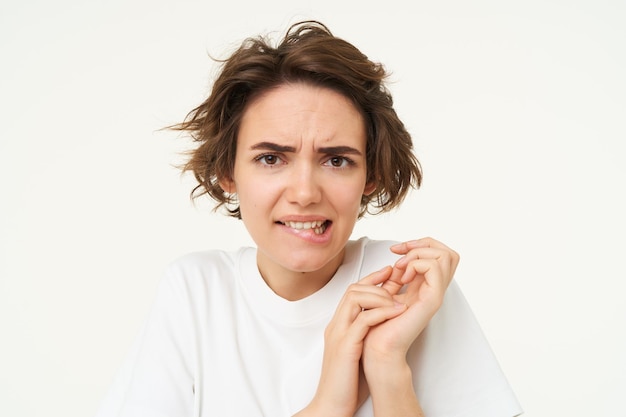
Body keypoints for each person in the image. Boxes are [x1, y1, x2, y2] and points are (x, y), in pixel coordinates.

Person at [96, 21, 522, 417]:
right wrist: (331, 402)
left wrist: (387, 367)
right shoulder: (196, 291)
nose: (304, 193)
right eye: (270, 158)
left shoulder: (411, 286)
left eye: (336, 160)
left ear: (370, 175)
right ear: (228, 173)